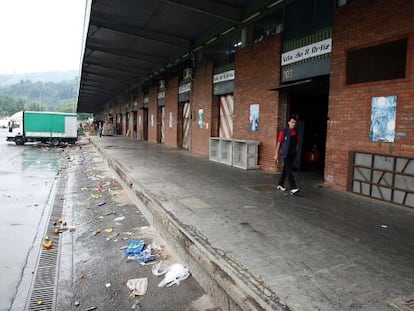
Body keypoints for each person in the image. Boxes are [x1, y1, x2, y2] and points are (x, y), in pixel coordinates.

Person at [274, 116, 300, 194]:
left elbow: (297, 142)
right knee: (289, 170)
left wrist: (296, 151)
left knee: (285, 169)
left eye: (295, 123)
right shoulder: (284, 131)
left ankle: (280, 184)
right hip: (285, 153)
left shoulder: (296, 132)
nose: (293, 124)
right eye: (292, 122)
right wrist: (276, 154)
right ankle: (293, 187)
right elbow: (279, 142)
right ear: (288, 122)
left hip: (292, 153)